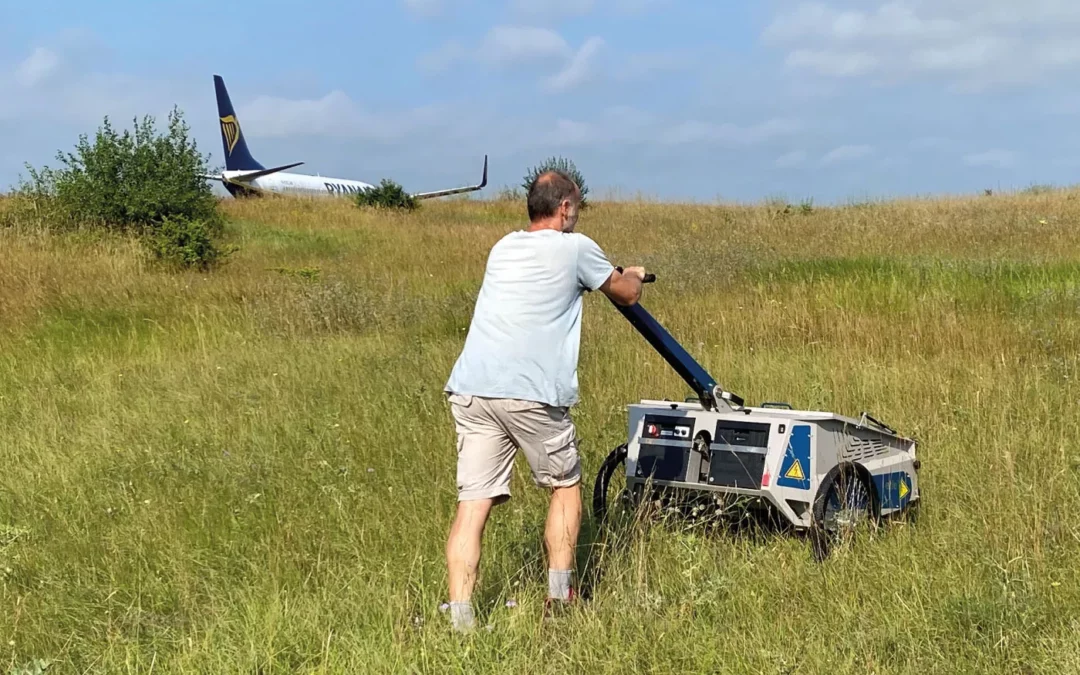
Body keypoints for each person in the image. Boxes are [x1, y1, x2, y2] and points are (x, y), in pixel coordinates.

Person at [442, 169, 647, 633]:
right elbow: (626, 293)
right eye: (576, 207)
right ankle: (560, 601)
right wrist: (631, 274)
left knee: (473, 505)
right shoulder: (575, 247)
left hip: (473, 389)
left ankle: (460, 620)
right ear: (566, 208)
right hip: (530, 393)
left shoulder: (503, 246)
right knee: (565, 487)